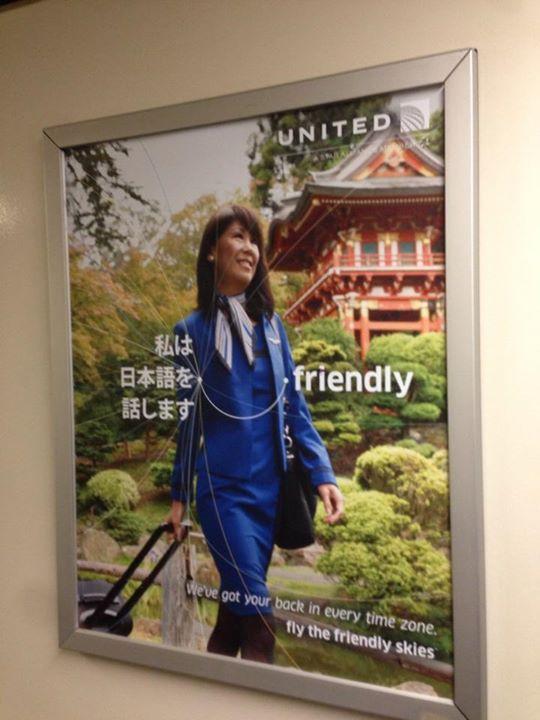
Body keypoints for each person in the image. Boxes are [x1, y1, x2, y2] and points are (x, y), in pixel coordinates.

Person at [167, 204, 343, 664]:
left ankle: (206, 696)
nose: (250, 249)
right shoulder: (189, 331)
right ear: (211, 252)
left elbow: (295, 407)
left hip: (270, 494)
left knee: (233, 619)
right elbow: (188, 420)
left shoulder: (273, 327)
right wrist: (178, 497)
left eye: (254, 241)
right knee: (261, 625)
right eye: (238, 237)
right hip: (224, 495)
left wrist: (322, 474)